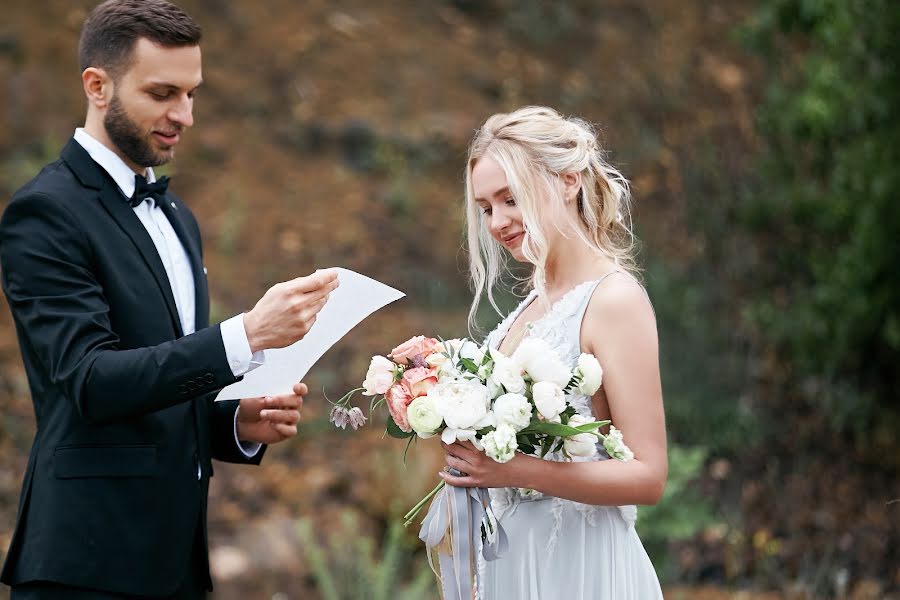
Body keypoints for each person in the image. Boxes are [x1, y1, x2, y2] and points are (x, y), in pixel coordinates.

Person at [0, 1, 339, 598]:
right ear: (97, 86)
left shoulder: (177, 216)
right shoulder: (44, 213)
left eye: (191, 94)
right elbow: (90, 382)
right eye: (162, 93)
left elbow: (155, 384)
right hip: (85, 566)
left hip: (175, 565)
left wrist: (233, 423)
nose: (183, 114)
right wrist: (247, 336)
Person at [439, 106, 667, 598]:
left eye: (510, 198)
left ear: (568, 180)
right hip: (511, 565)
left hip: (580, 568)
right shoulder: (528, 307)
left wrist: (513, 470)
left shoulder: (613, 300)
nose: (498, 221)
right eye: (486, 207)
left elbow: (648, 475)